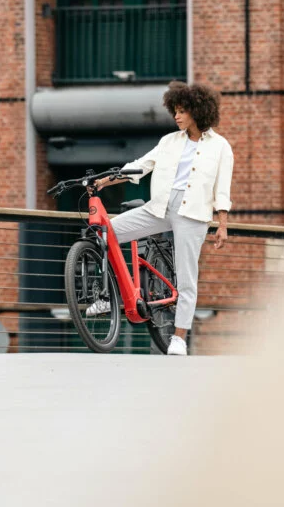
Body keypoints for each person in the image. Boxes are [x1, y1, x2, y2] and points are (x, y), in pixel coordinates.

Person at [90, 81, 234, 356]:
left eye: (182, 111)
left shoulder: (220, 147)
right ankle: (107, 295)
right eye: (174, 111)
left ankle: (179, 338)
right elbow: (140, 166)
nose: (176, 116)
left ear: (197, 111)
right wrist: (107, 180)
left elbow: (222, 189)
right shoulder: (169, 141)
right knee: (105, 232)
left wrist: (222, 224)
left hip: (193, 215)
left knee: (187, 277)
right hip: (159, 208)